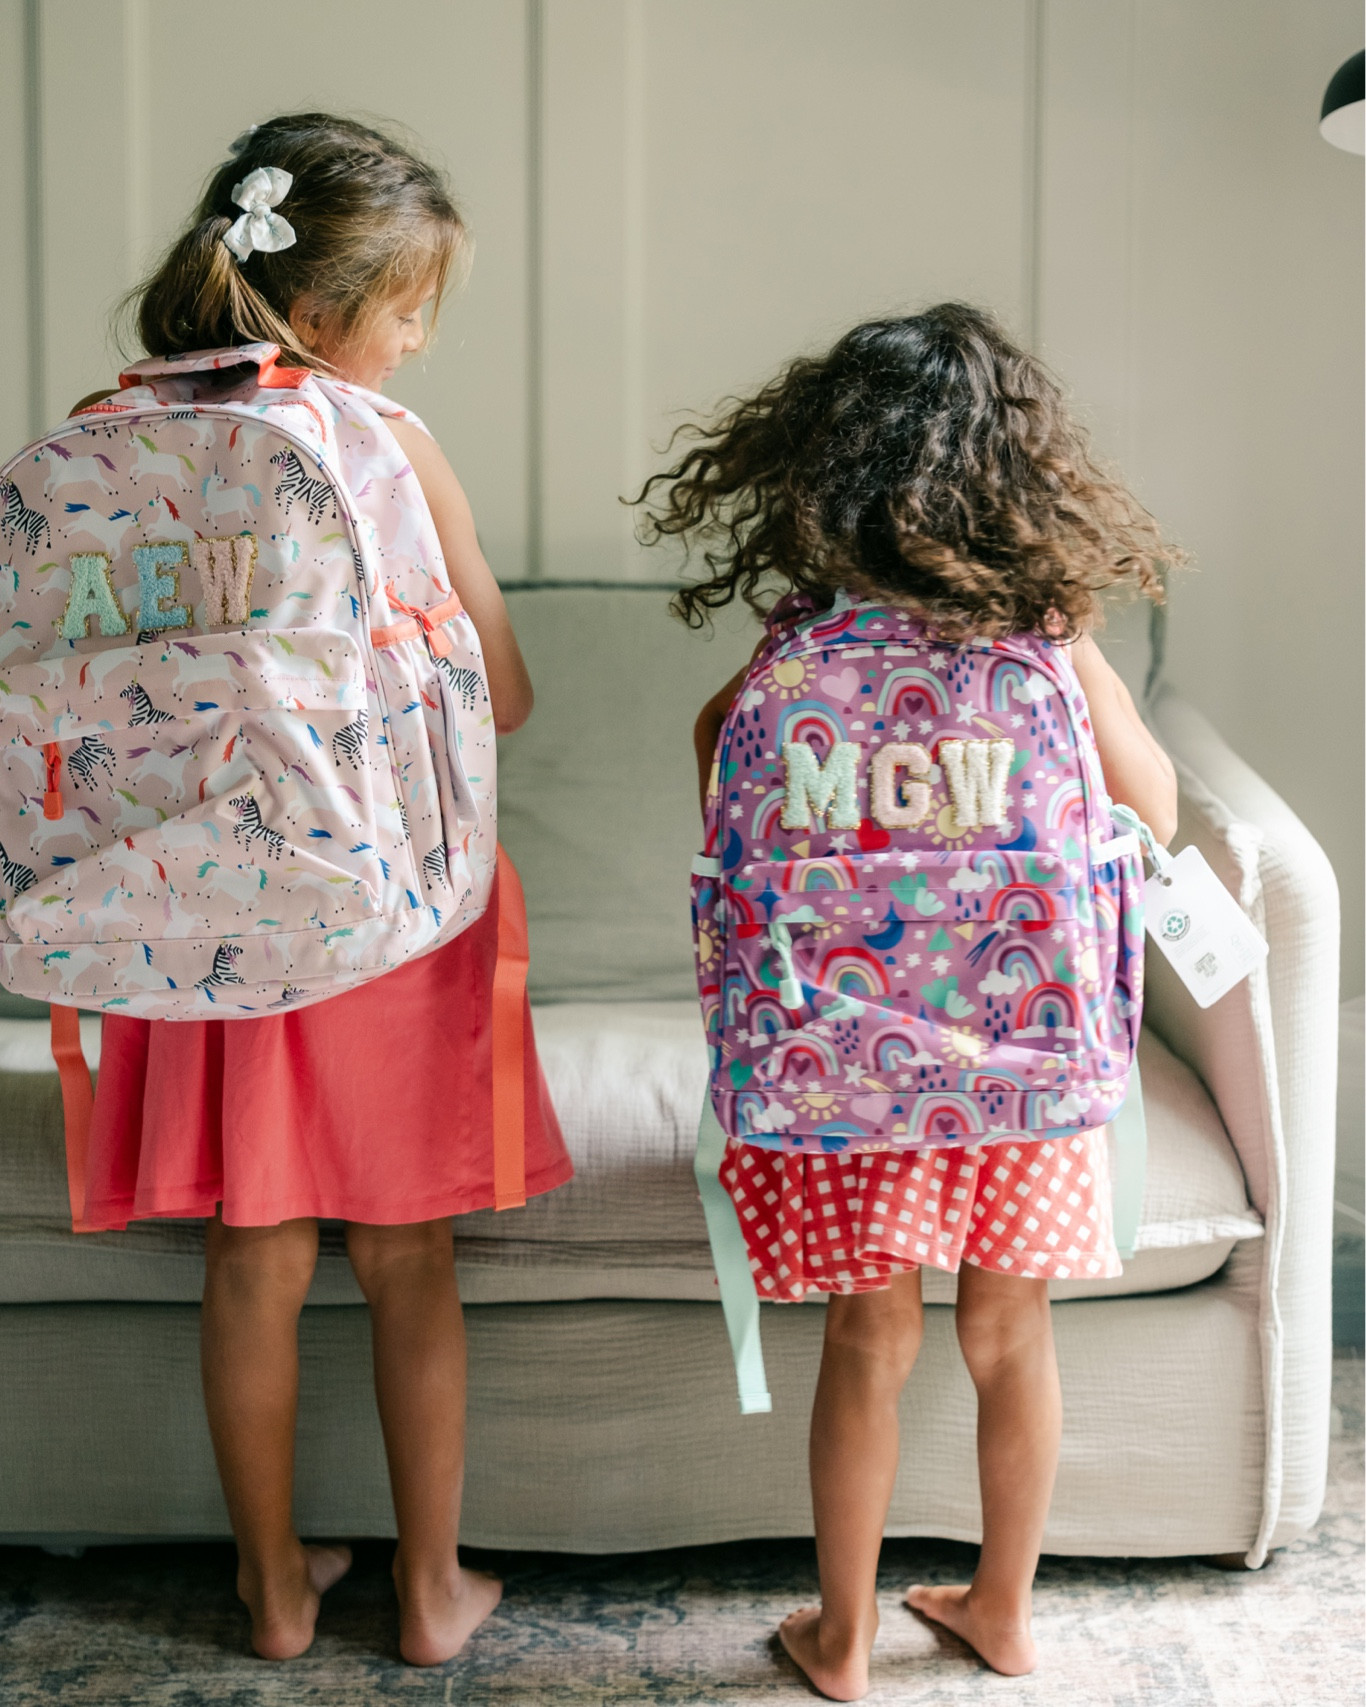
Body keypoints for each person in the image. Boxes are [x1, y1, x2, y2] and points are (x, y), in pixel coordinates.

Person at [73, 114, 571, 1666]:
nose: (417, 338)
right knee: (407, 1253)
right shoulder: (379, 441)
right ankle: (430, 1591)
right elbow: (496, 691)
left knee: (252, 1254)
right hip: (387, 901)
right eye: (411, 305)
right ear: (335, 299)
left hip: (193, 901)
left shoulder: (111, 424)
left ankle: (275, 1589)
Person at [639, 304, 1179, 1702]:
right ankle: (1000, 1610)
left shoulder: (803, 640)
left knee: (866, 1337)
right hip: (1022, 1058)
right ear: (1012, 473)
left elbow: (716, 760)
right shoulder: (1044, 639)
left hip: (841, 1068)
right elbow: (1154, 808)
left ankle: (838, 1638)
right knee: (1011, 1335)